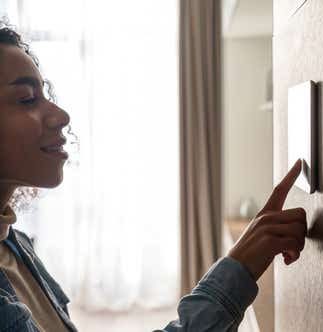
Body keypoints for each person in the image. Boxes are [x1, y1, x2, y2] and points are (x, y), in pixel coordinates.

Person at [0, 23, 307, 331]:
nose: (61, 116)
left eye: (45, 93)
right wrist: (237, 270)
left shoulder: (16, 245)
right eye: (27, 99)